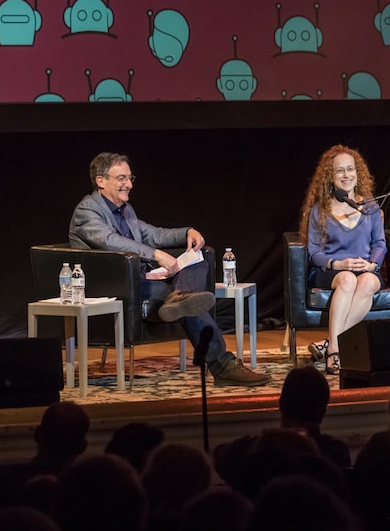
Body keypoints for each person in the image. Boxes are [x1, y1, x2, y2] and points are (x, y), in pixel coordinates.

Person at [69, 152, 268, 387]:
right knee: (189, 301)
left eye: (130, 177)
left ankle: (180, 296)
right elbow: (111, 241)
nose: (129, 184)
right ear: (101, 180)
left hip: (140, 281)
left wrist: (186, 232)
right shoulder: (87, 211)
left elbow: (152, 233)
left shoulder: (125, 210)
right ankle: (221, 364)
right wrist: (155, 254)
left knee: (198, 261)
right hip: (116, 286)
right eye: (122, 178)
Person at [298, 145, 386, 374]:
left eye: (350, 169)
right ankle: (336, 350)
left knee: (367, 281)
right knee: (347, 280)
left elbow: (380, 244)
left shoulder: (371, 207)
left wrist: (372, 264)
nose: (346, 175)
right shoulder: (321, 210)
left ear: (358, 174)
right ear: (331, 177)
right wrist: (338, 265)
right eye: (340, 171)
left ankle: (329, 345)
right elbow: (314, 252)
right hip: (332, 270)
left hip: (366, 269)